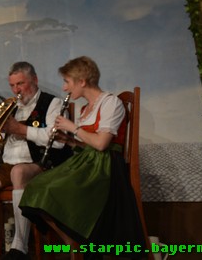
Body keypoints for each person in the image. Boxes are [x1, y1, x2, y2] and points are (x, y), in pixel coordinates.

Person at [18, 56, 147, 259]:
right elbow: (89, 144)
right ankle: (77, 245)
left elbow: (102, 144)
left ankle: (78, 246)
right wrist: (69, 141)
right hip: (88, 162)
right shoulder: (87, 108)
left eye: (67, 82)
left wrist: (73, 128)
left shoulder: (110, 102)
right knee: (36, 186)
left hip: (104, 169)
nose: (64, 88)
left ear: (82, 81)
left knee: (49, 190)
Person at [0, 61, 72, 259]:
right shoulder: (10, 107)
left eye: (21, 84)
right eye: (13, 85)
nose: (17, 90)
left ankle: (19, 246)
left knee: (18, 172)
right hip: (8, 165)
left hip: (40, 164)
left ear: (35, 80)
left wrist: (20, 129)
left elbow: (57, 142)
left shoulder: (53, 103)